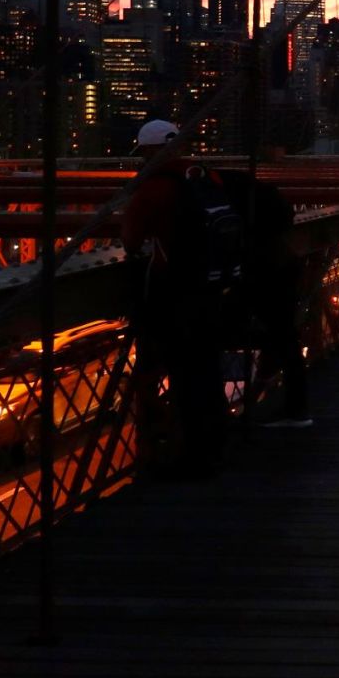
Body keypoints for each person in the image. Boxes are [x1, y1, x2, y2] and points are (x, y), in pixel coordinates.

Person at [121, 118, 231, 476]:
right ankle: (219, 440)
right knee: (209, 366)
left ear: (152, 151)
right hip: (214, 286)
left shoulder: (153, 188)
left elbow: (131, 240)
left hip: (176, 291)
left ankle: (189, 452)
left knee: (182, 373)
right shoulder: (206, 176)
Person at [218, 161, 310, 429]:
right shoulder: (249, 191)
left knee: (216, 330)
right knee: (284, 337)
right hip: (280, 268)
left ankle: (220, 413)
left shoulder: (216, 193)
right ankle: (290, 405)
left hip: (261, 272)